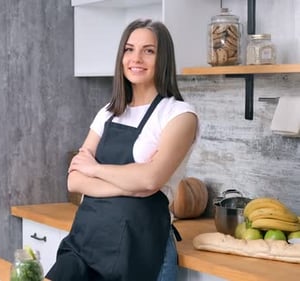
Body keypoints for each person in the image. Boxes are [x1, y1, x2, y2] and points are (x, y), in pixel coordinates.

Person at [46, 19, 199, 281]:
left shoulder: (179, 115)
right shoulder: (108, 113)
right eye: (129, 49)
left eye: (148, 50)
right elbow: (74, 180)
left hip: (139, 253)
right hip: (85, 244)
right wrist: (133, 185)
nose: (136, 58)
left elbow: (151, 179)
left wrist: (95, 169)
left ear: (163, 58)